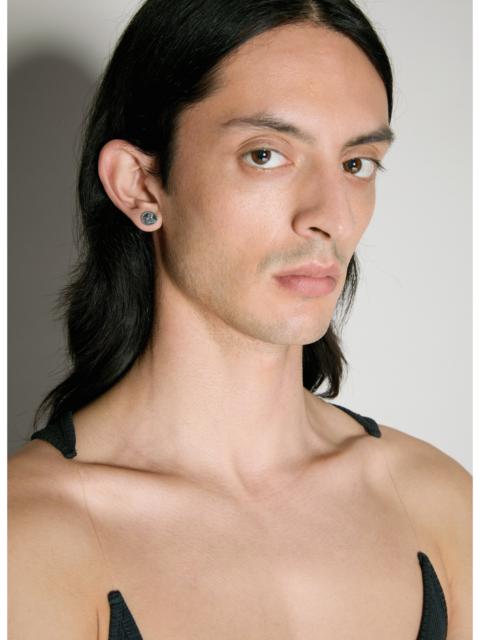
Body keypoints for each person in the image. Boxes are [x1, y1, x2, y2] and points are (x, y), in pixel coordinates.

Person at [8, 1, 471, 638]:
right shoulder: (28, 537)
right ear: (140, 184)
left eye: (356, 164)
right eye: (265, 155)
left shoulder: (440, 502)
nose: (331, 217)